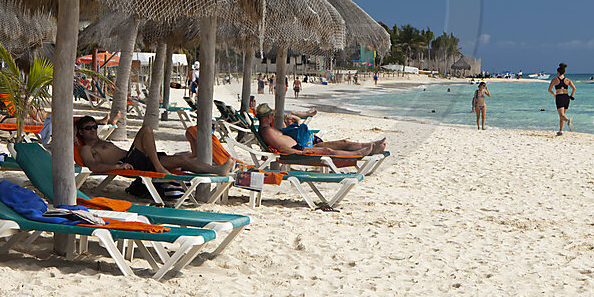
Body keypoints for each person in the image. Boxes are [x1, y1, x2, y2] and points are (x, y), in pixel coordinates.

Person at [74, 116, 233, 176]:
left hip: (138, 159)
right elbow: (94, 166)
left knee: (181, 160)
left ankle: (217, 170)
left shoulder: (100, 141)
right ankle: (158, 167)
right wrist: (118, 166)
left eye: (94, 127)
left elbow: (102, 121)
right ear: (81, 132)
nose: (93, 130)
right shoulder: (87, 149)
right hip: (128, 162)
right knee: (146, 130)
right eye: (88, 128)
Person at [256, 103, 385, 157]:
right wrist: (300, 153)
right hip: (299, 150)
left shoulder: (268, 129)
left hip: (303, 145)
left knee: (343, 142)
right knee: (328, 151)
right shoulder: (267, 131)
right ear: (268, 116)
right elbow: (282, 148)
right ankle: (358, 154)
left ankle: (371, 146)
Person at [548, 63, 574, 136]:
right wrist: (571, 96)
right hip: (566, 98)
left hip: (559, 97)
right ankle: (560, 131)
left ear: (558, 72)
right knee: (562, 115)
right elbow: (574, 88)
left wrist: (554, 94)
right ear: (564, 72)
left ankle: (568, 120)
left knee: (562, 115)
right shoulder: (568, 80)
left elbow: (549, 90)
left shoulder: (554, 80)